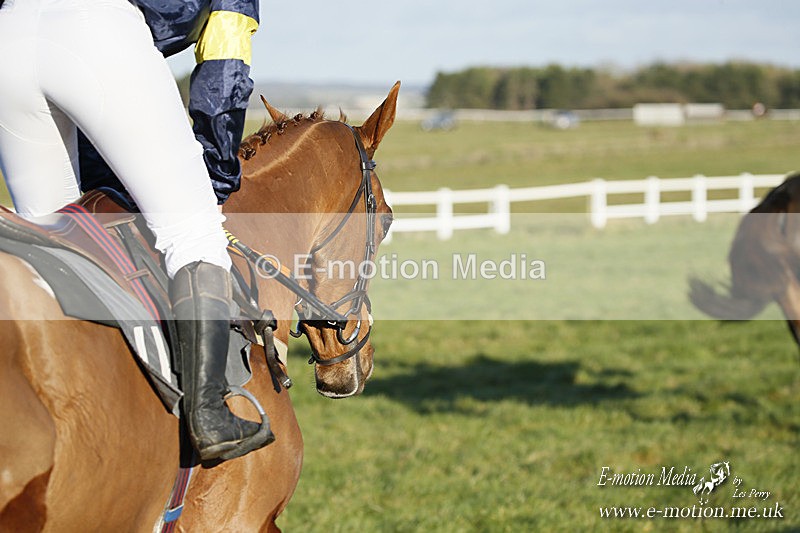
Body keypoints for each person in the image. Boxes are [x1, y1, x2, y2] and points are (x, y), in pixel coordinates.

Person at [0, 0, 271, 461]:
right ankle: (209, 416)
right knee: (194, 231)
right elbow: (224, 60)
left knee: (48, 243)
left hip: (9, 31)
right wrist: (217, 176)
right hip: (97, 28)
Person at [78, 0, 258, 206]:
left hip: (44, 41)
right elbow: (222, 79)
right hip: (91, 62)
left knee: (52, 211)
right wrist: (215, 182)